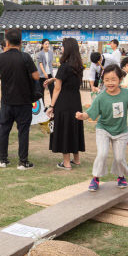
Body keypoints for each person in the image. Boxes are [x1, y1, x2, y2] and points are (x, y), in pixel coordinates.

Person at [75, 64, 128, 191]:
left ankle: (121, 176)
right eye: (106, 80)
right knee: (102, 154)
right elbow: (91, 112)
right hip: (103, 130)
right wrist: (82, 115)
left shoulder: (126, 93)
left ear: (120, 79)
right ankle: (96, 178)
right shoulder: (101, 97)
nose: (110, 83)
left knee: (119, 158)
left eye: (113, 79)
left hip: (121, 131)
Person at [0, 28, 39, 170]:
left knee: (4, 130)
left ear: (6, 42)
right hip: (24, 101)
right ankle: (23, 162)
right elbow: (36, 76)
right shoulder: (25, 57)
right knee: (23, 131)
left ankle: (3, 160)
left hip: (6, 100)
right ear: (21, 42)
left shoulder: (1, 58)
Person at [45, 37, 85, 170]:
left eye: (62, 46)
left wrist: (51, 106)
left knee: (64, 130)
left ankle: (66, 163)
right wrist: (53, 79)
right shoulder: (79, 66)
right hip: (75, 101)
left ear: (66, 49)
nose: (61, 48)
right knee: (74, 128)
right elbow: (66, 79)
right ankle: (76, 159)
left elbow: (58, 88)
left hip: (64, 102)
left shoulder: (64, 66)